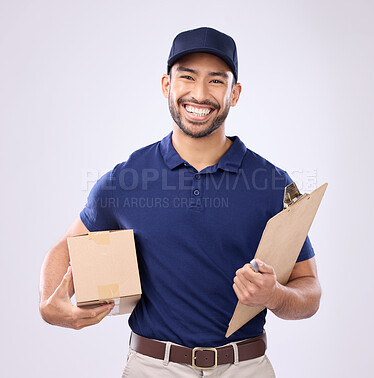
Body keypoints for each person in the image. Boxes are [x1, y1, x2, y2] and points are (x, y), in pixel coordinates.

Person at [39, 27, 321, 377]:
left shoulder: (272, 183)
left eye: (216, 81)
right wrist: (49, 306)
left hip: (245, 367)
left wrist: (274, 295)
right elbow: (65, 249)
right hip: (152, 367)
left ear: (235, 93)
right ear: (166, 86)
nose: (199, 94)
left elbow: (309, 290)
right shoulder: (126, 180)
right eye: (187, 77)